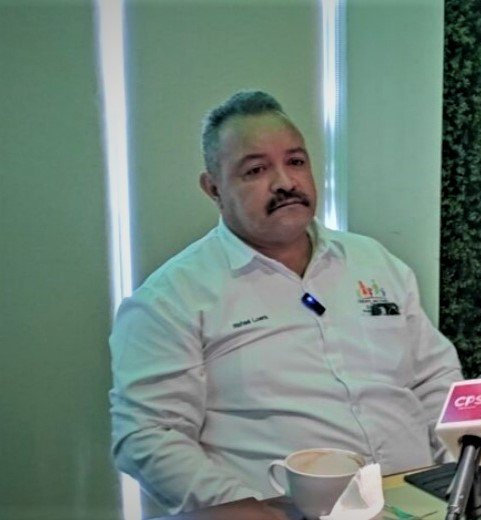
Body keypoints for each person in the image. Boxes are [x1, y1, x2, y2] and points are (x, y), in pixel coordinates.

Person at [109, 90, 462, 514]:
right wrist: (241, 507)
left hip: (422, 499)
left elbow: (434, 378)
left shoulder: (374, 260)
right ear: (214, 188)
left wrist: (462, 471)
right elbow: (149, 435)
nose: (285, 182)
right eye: (256, 170)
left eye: (296, 162)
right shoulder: (172, 298)